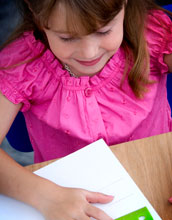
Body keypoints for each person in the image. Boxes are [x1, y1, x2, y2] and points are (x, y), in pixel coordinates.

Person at [0, 0, 172, 219]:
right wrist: (46, 196)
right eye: (67, 38)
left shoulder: (152, 34)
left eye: (104, 31)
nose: (89, 53)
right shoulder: (23, 64)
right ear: (36, 14)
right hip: (64, 198)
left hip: (156, 179)